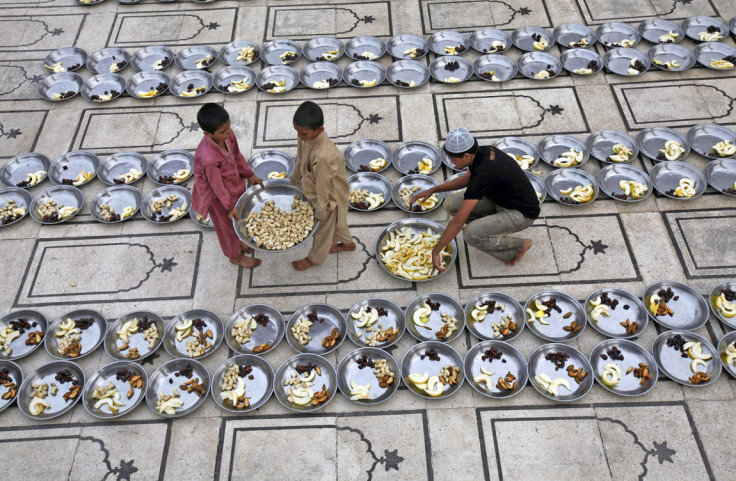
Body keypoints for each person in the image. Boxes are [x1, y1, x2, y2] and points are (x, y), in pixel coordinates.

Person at [410, 128, 539, 270]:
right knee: (450, 204)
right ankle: (487, 229)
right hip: (499, 199)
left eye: (454, 159)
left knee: (471, 235)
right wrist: (433, 189)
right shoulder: (483, 151)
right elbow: (466, 179)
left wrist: (435, 251)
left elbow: (458, 223)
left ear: (466, 156)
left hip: (521, 214)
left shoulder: (482, 175)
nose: (452, 164)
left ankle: (521, 245)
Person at [191, 103, 263, 269]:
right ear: (207, 133)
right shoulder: (209, 159)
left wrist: (249, 174)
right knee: (226, 226)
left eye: (229, 127)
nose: (228, 132)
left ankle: (237, 240)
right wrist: (230, 206)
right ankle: (234, 256)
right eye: (223, 131)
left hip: (233, 184)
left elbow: (237, 156)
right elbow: (217, 187)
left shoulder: (227, 136)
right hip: (218, 198)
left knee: (239, 218)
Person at [290, 101, 355, 271]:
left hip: (329, 195)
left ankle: (314, 258)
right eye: (297, 131)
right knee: (338, 222)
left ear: (320, 130)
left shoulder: (324, 156)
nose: (299, 136)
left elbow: (323, 188)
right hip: (317, 183)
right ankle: (348, 244)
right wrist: (295, 177)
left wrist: (320, 211)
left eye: (302, 133)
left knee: (322, 230)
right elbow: (300, 157)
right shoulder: (305, 137)